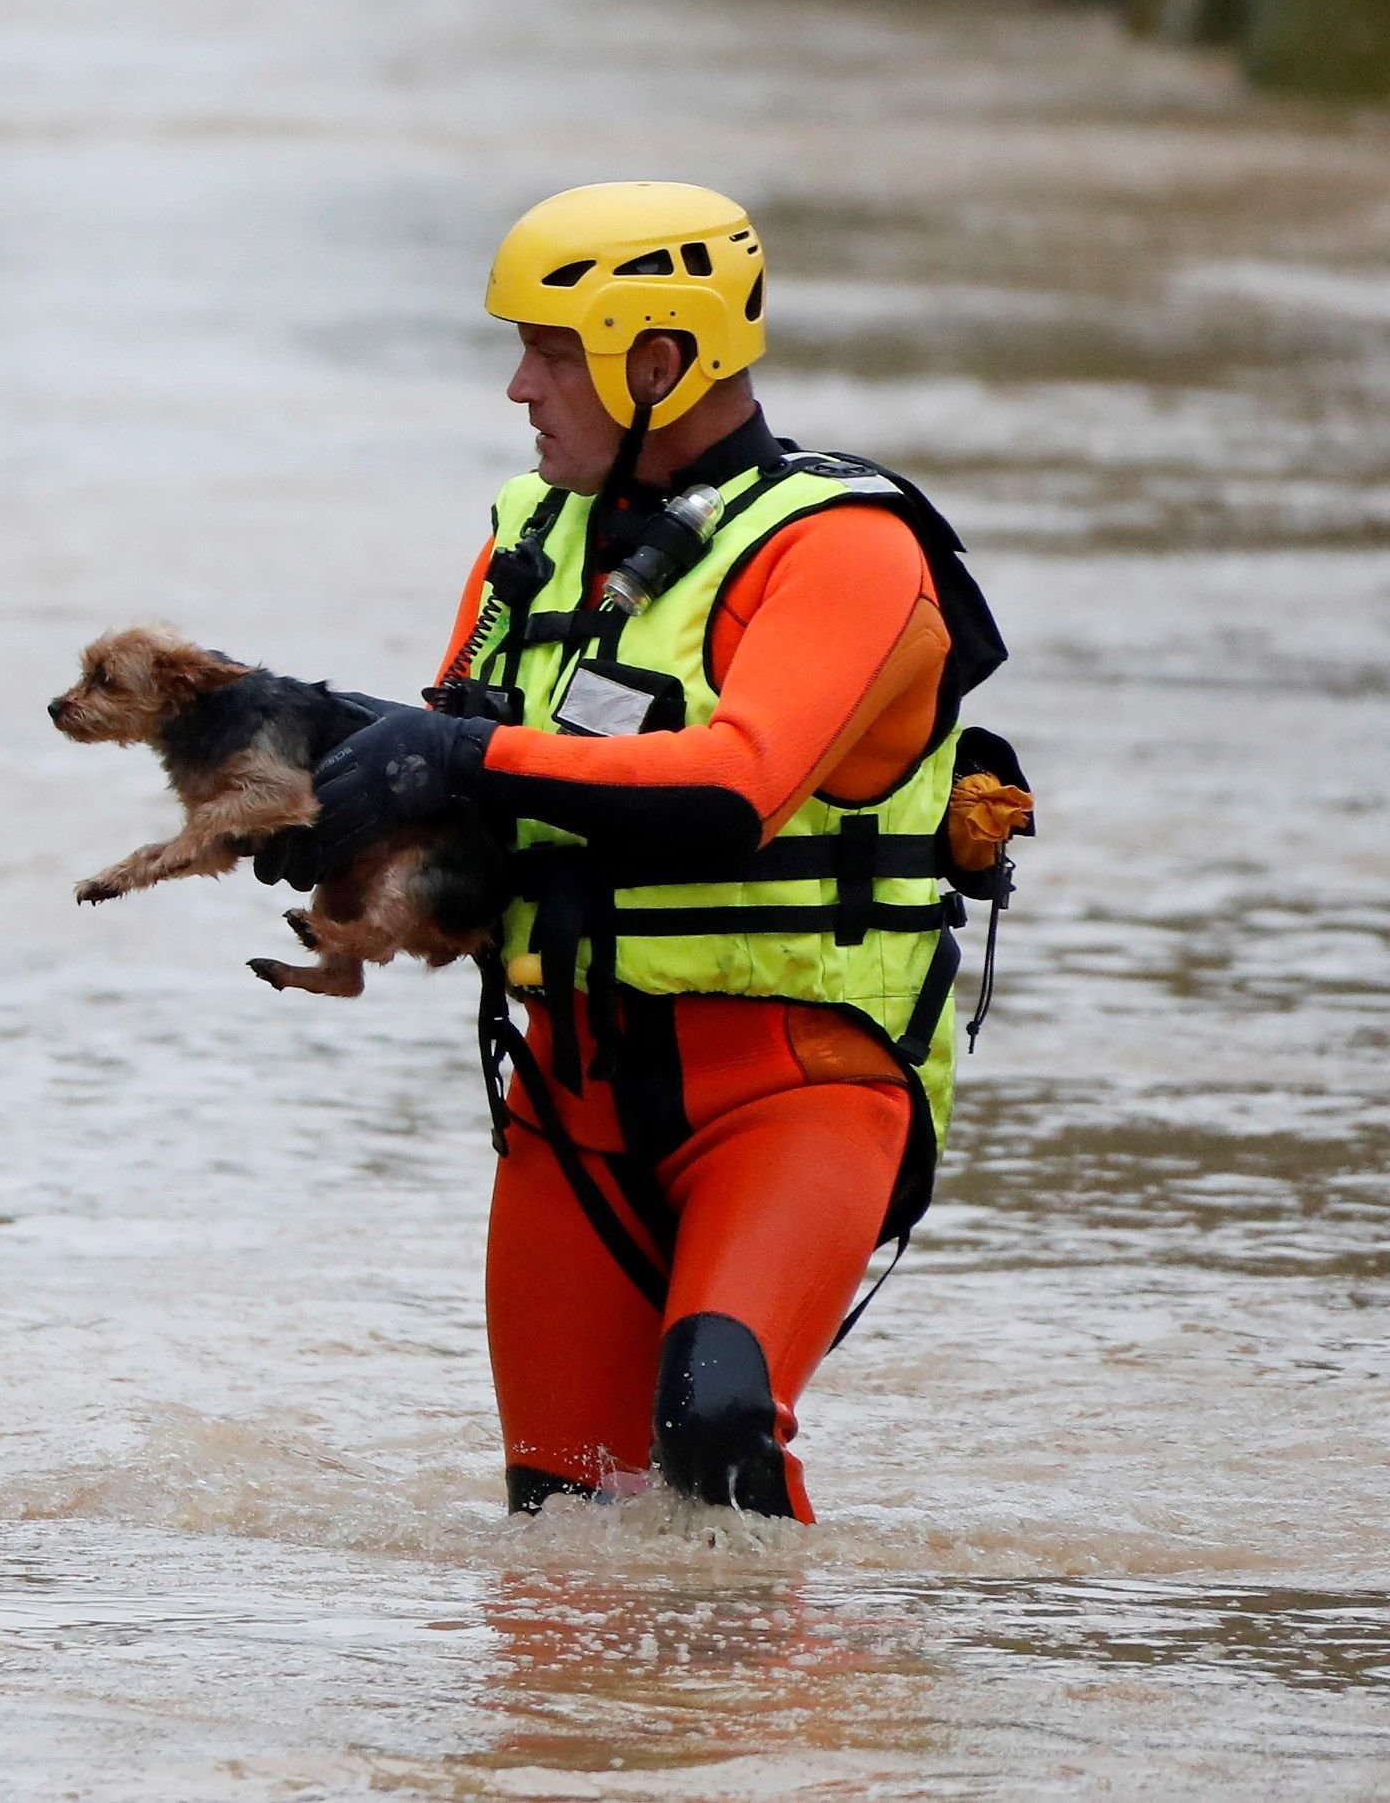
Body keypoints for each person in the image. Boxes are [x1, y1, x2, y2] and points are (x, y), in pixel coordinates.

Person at [283, 181, 1028, 1523]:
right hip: (569, 1096)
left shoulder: (846, 546)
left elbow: (731, 790)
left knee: (714, 1430)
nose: (517, 386)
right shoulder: (528, 533)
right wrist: (320, 812)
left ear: (661, 357)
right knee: (564, 1525)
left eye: (551, 350)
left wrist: (457, 759)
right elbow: (461, 768)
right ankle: (591, 1737)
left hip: (795, 1085)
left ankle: (803, 1735)